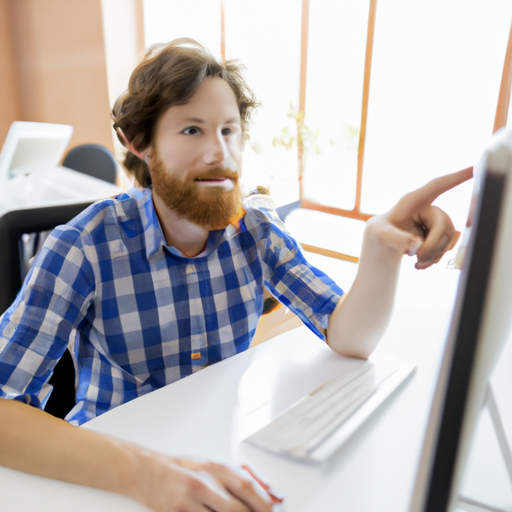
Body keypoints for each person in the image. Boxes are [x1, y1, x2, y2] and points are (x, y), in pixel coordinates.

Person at [0, 38, 472, 512]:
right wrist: (145, 474)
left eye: (230, 130)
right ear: (139, 144)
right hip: (108, 475)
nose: (219, 153)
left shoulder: (256, 229)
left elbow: (350, 338)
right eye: (191, 131)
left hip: (217, 454)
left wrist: (380, 249)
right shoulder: (83, 245)